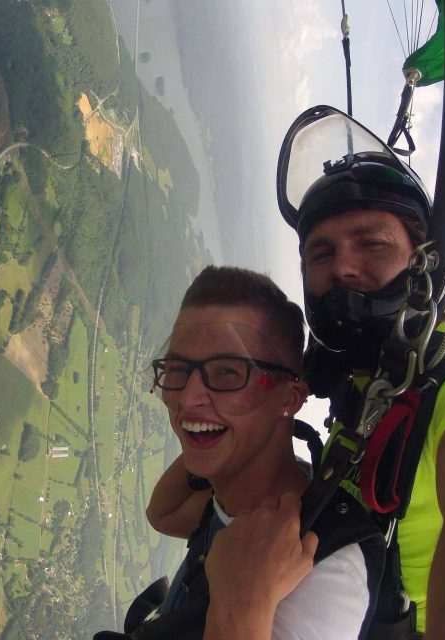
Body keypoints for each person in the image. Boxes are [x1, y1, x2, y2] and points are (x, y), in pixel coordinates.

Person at [149, 109, 445, 639]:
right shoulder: (361, 379)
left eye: (371, 243)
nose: (343, 266)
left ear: (422, 263)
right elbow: (167, 512)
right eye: (320, 253)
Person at [140, 265, 383, 640]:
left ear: (290, 398)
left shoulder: (328, 574)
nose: (186, 400)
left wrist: (244, 601)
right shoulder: (224, 501)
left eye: (227, 373)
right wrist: (227, 431)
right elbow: (162, 513)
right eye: (176, 370)